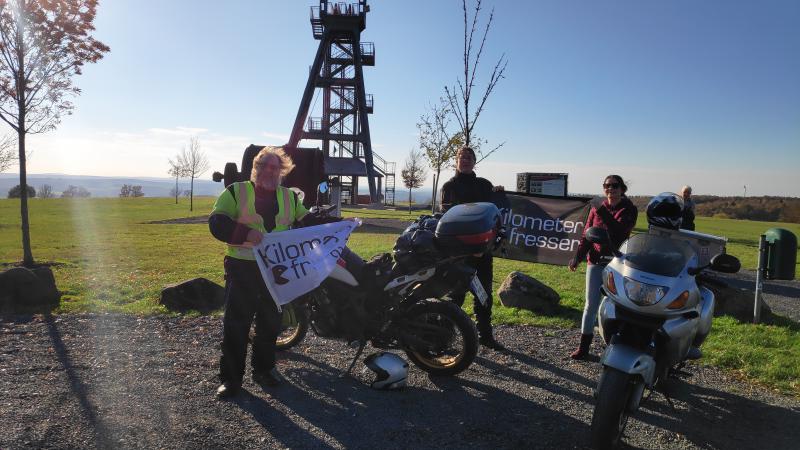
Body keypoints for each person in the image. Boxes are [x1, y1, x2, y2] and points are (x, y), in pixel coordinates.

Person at [208, 146, 309, 399]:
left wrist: (339, 228)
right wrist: (244, 233)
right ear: (255, 169)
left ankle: (264, 369)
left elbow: (307, 224)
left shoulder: (289, 197)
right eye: (263, 165)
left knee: (270, 323)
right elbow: (217, 222)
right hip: (243, 268)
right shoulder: (236, 191)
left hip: (276, 271)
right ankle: (231, 380)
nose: (269, 170)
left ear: (281, 171)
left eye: (274, 167)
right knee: (236, 324)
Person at [439, 146, 505, 351]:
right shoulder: (449, 186)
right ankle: (442, 338)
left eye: (469, 157)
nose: (465, 160)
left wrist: (500, 194)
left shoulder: (485, 185)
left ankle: (485, 335)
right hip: (459, 254)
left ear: (475, 161)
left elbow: (495, 214)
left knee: (484, 294)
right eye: (461, 157)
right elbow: (448, 217)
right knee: (455, 296)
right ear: (456, 162)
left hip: (482, 251)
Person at [568, 175, 638, 359]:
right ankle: (584, 348)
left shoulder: (629, 209)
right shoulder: (596, 209)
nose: (610, 189)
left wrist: (601, 209)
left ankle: (618, 348)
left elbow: (619, 232)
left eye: (615, 186)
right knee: (590, 304)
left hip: (617, 264)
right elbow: (587, 235)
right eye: (607, 186)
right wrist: (577, 257)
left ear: (622, 188)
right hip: (596, 261)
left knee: (619, 306)